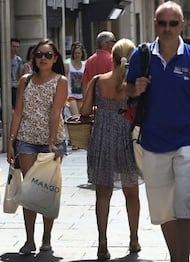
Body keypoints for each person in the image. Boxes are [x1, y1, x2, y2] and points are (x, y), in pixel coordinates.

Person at [126, 2, 190, 261]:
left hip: (187, 141)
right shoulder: (140, 56)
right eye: (162, 23)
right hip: (152, 143)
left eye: (172, 23)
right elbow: (125, 91)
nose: (167, 28)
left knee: (185, 206)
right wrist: (134, 88)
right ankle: (177, 257)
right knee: (164, 210)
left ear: (182, 25)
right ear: (155, 24)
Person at [80, 38, 141, 260]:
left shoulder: (97, 81)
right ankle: (134, 239)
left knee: (102, 194)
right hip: (127, 138)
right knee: (131, 193)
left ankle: (103, 243)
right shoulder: (135, 86)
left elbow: (85, 110)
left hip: (102, 138)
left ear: (112, 57)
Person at [7, 39, 68, 255]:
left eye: (48, 55)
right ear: (33, 57)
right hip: (26, 140)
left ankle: (47, 238)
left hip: (52, 142)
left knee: (46, 190)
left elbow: (55, 112)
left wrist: (52, 142)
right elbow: (17, 112)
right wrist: (10, 141)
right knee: (30, 190)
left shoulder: (61, 81)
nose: (43, 58)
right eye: (39, 54)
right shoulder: (25, 80)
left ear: (55, 58)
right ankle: (29, 239)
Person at [81, 31, 116, 96]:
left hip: (93, 98)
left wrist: (86, 100)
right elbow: (113, 80)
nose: (114, 44)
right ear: (106, 43)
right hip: (108, 98)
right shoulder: (111, 59)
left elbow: (84, 83)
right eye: (113, 41)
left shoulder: (90, 60)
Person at [65, 42, 86, 116]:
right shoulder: (68, 65)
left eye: (79, 53)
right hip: (71, 95)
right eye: (75, 53)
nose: (77, 55)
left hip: (81, 95)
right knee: (76, 116)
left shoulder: (85, 65)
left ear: (82, 54)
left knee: (82, 117)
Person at [11, 38, 24, 109]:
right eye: (13, 46)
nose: (15, 49)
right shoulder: (4, 59)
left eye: (17, 47)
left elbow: (20, 73)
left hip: (15, 86)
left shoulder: (18, 60)